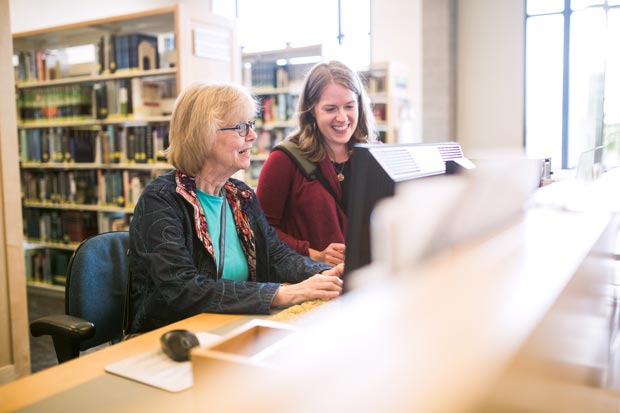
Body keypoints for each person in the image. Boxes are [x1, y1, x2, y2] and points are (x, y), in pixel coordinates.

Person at [127, 82, 344, 334]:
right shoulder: (161, 200)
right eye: (241, 127)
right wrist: (280, 294)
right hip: (172, 336)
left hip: (232, 326)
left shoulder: (240, 195)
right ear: (203, 135)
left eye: (250, 125)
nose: (252, 136)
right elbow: (183, 289)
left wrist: (329, 272)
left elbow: (277, 257)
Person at [256, 60, 377, 265]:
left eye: (349, 106)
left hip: (369, 278)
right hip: (311, 281)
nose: (342, 118)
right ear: (311, 110)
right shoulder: (283, 160)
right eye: (330, 109)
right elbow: (261, 230)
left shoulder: (375, 155)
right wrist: (313, 254)